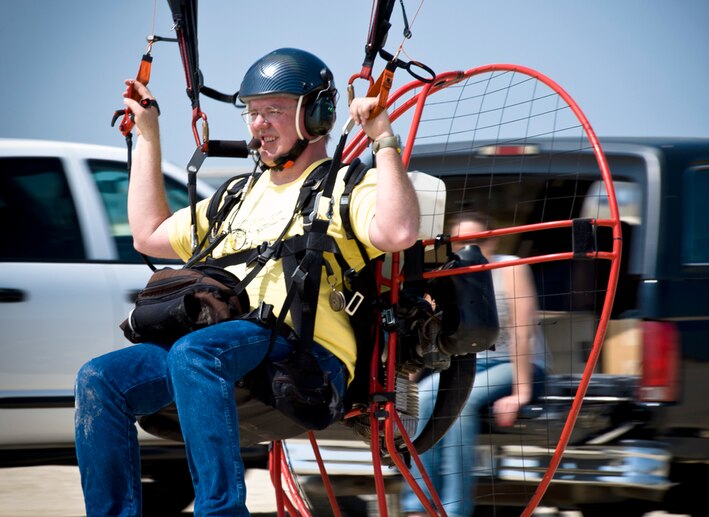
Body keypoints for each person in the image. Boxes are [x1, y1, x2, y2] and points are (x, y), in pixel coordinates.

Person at [74, 47, 420, 517]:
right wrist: (150, 133)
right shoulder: (237, 195)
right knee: (100, 379)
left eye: (274, 110)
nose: (259, 123)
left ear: (317, 115)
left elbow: (399, 232)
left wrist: (383, 139)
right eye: (252, 112)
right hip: (223, 353)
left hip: (307, 360)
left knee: (196, 353)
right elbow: (149, 235)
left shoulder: (343, 187)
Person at [401, 211, 547, 517]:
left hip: (514, 363)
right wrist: (406, 380)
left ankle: (456, 509)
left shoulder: (511, 269)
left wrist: (520, 394)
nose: (474, 249)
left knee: (461, 404)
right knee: (423, 399)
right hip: (469, 364)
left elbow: (523, 334)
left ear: (492, 239)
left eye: (480, 241)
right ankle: (419, 504)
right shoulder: (448, 275)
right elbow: (427, 333)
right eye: (464, 242)